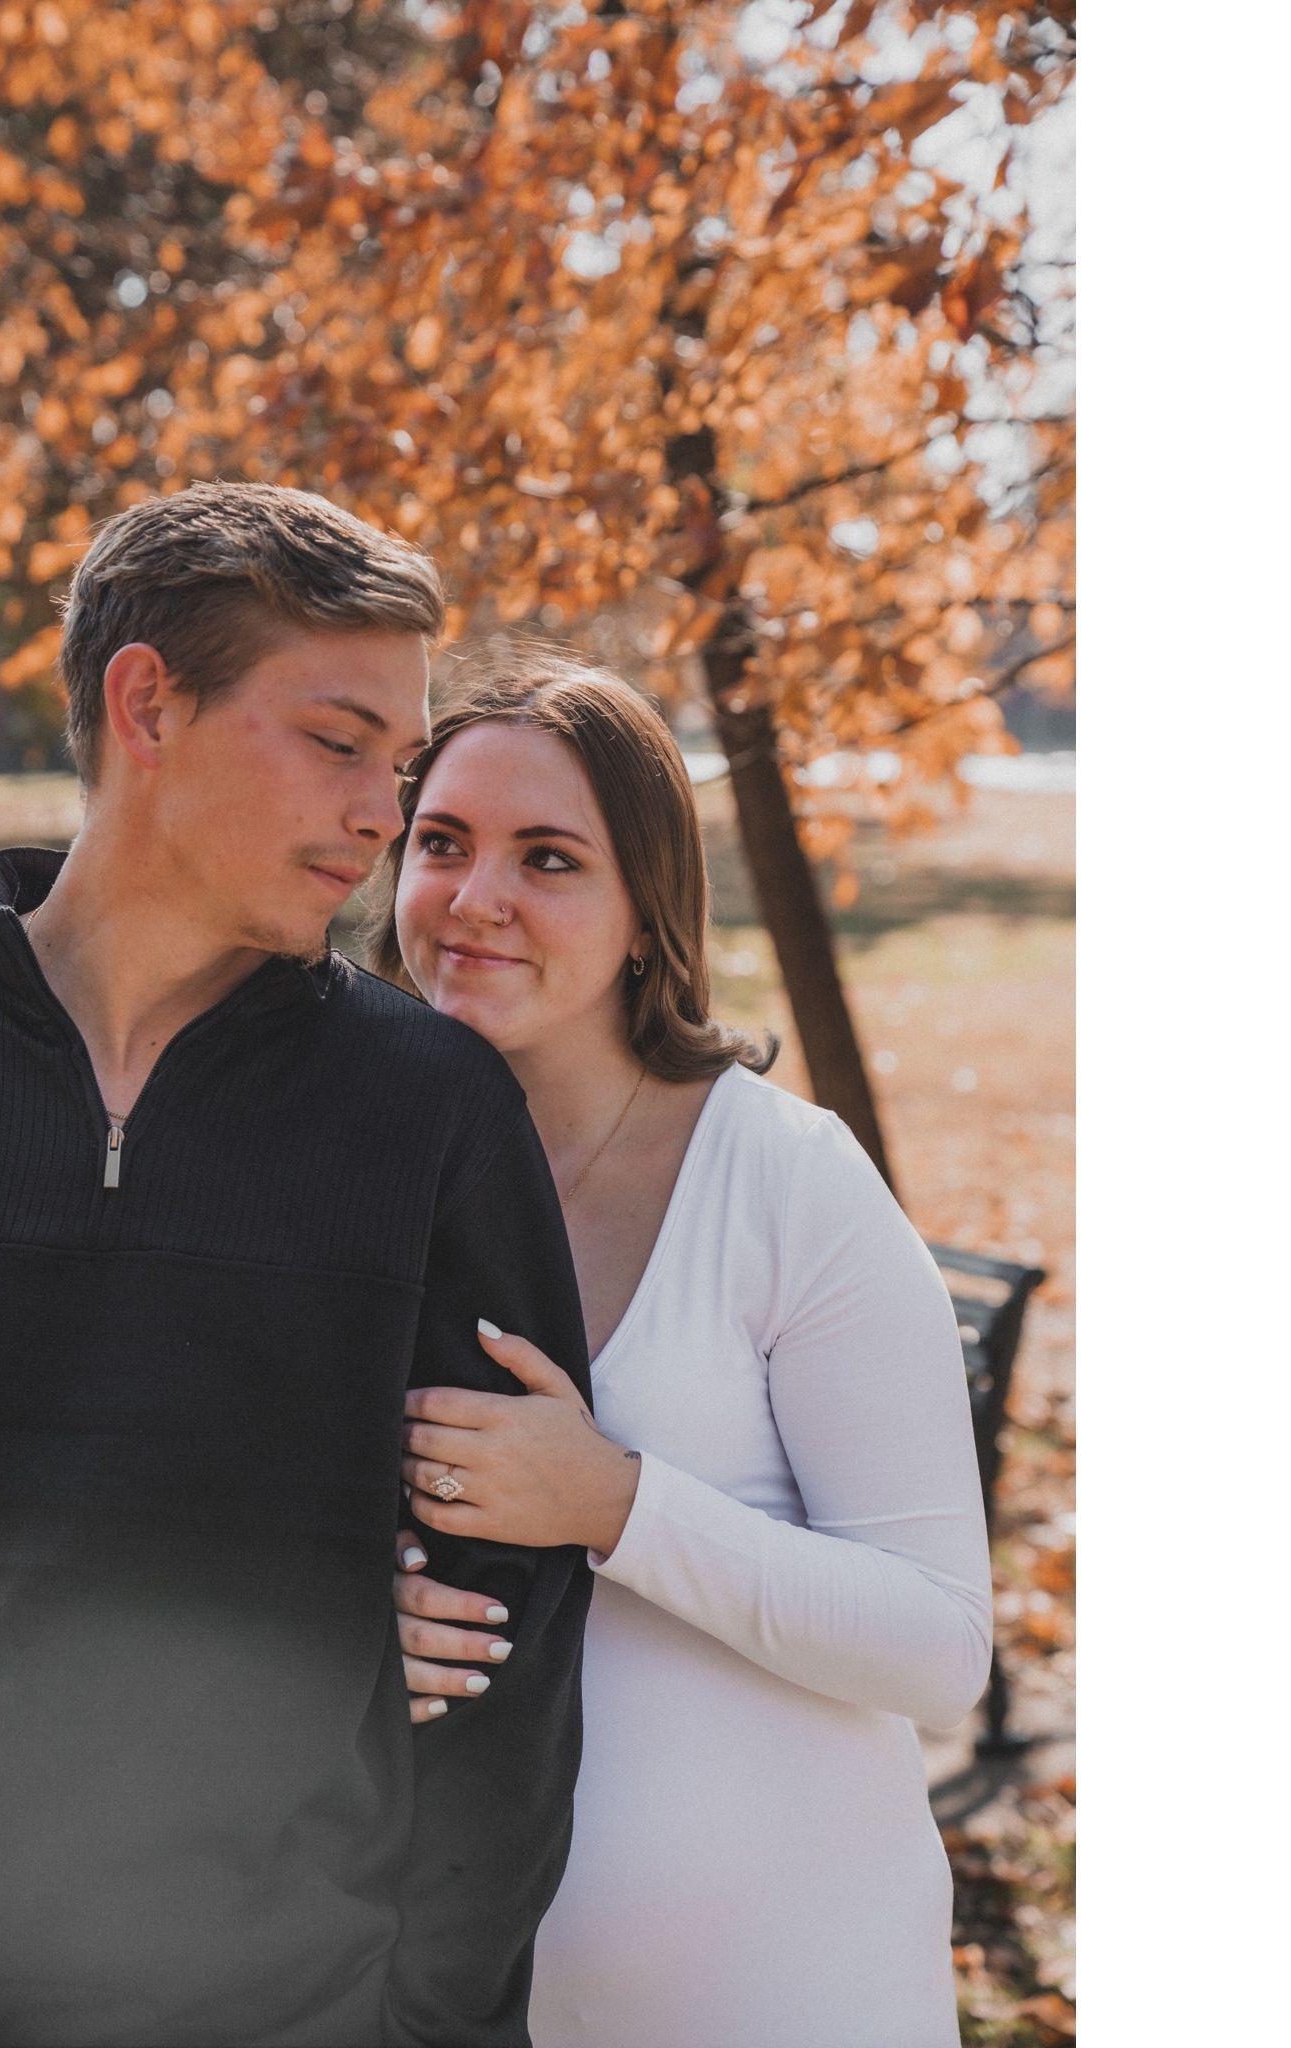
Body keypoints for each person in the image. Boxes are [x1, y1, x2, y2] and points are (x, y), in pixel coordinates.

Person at [0, 486, 596, 2048]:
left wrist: (428, 2026)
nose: (383, 815)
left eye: (397, 765)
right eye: (338, 743)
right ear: (148, 705)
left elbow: (506, 1645)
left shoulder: (430, 1109)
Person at [364, 646, 994, 2048]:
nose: (475, 896)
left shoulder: (784, 1181)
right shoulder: (355, 1173)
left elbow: (939, 1648)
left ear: (649, 913)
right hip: (457, 1996)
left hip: (787, 1996)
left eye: (549, 858)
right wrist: (352, 1606)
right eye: (443, 842)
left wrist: (615, 1505)